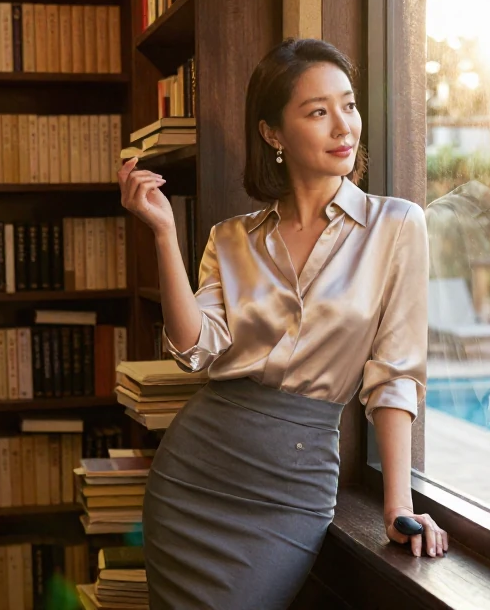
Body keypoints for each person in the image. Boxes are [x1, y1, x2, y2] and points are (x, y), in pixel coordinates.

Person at [118, 38, 446, 610]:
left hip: (291, 490)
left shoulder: (397, 226)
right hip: (195, 475)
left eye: (348, 104)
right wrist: (165, 235)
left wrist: (397, 505)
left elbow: (395, 376)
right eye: (318, 111)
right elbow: (194, 350)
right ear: (273, 133)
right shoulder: (230, 238)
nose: (343, 125)